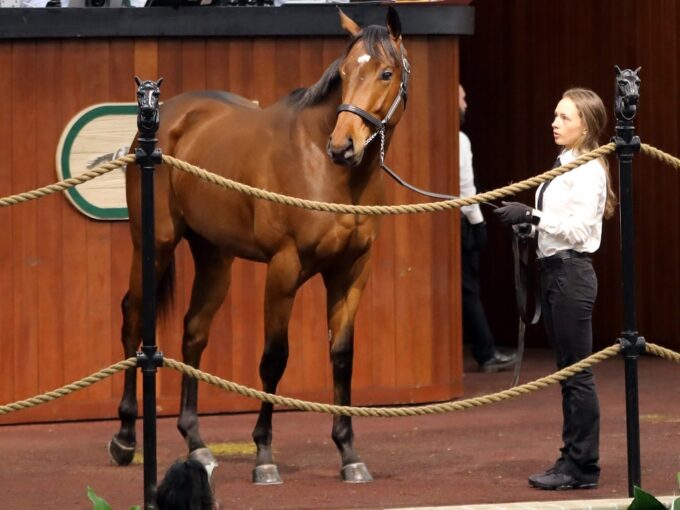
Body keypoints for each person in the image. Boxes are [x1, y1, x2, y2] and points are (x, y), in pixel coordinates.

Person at [494, 87, 617, 490]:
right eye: (555, 115)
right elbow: (557, 224)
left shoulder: (588, 168)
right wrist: (529, 225)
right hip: (555, 272)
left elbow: (580, 231)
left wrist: (532, 213)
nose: (554, 122)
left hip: (571, 275)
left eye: (564, 117)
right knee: (568, 374)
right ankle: (572, 459)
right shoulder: (564, 163)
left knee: (577, 374)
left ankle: (583, 466)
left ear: (587, 124)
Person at [458, 85, 517, 372]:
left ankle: (484, 348)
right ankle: (485, 351)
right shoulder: (459, 140)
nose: (466, 102)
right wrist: (479, 224)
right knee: (469, 289)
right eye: (462, 97)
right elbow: (466, 190)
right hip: (459, 224)